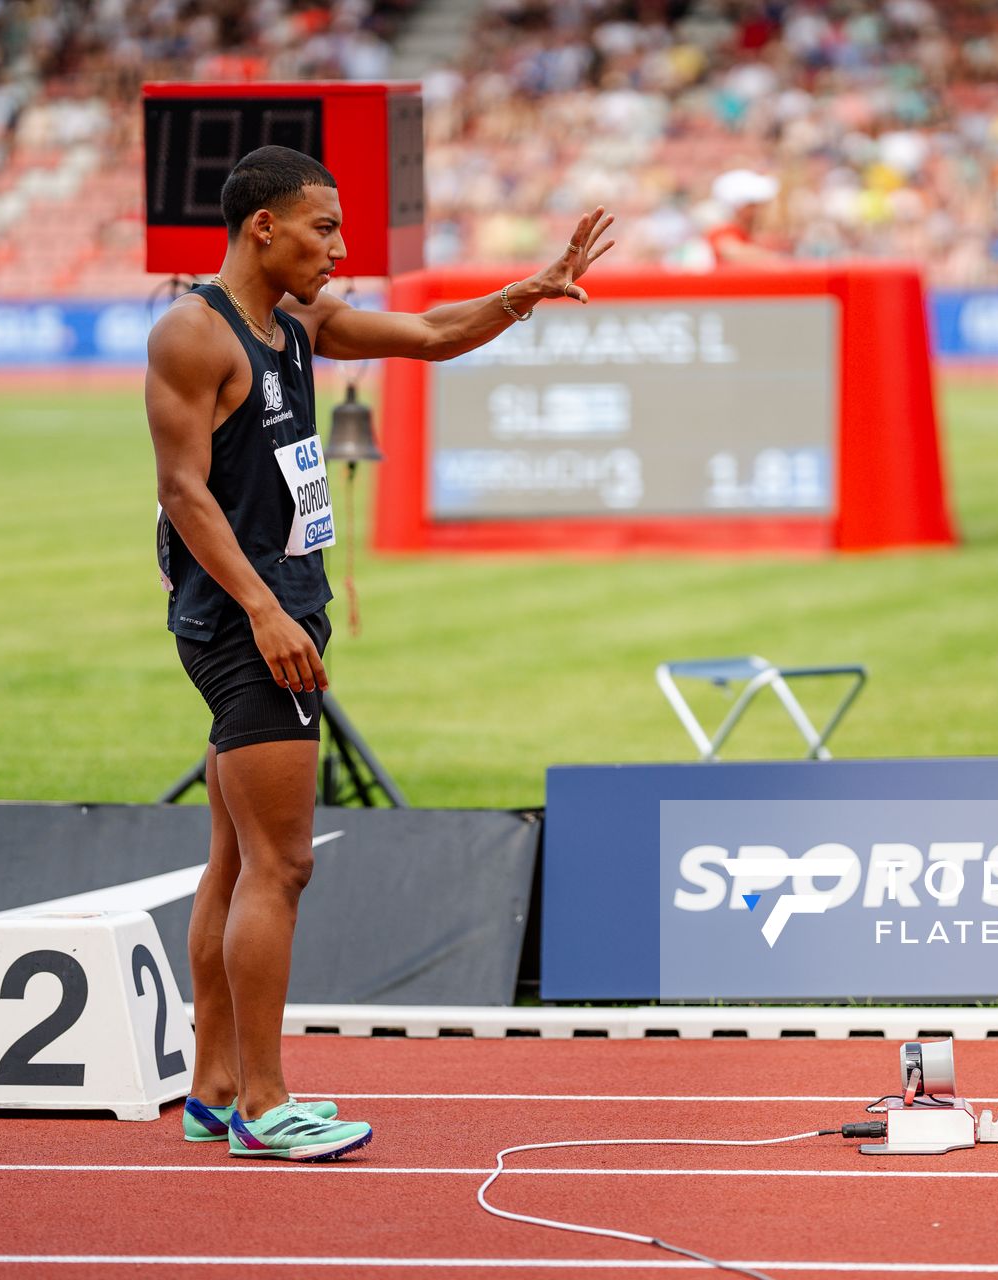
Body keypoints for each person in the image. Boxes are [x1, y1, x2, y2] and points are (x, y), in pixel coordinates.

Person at [146, 145, 614, 1161]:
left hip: (281, 605)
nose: (342, 247)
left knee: (234, 858)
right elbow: (184, 493)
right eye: (324, 227)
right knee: (286, 860)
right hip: (243, 618)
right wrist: (268, 612)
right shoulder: (194, 330)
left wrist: (525, 290)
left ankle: (214, 1086)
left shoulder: (298, 322)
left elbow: (438, 332)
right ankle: (266, 1105)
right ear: (263, 227)